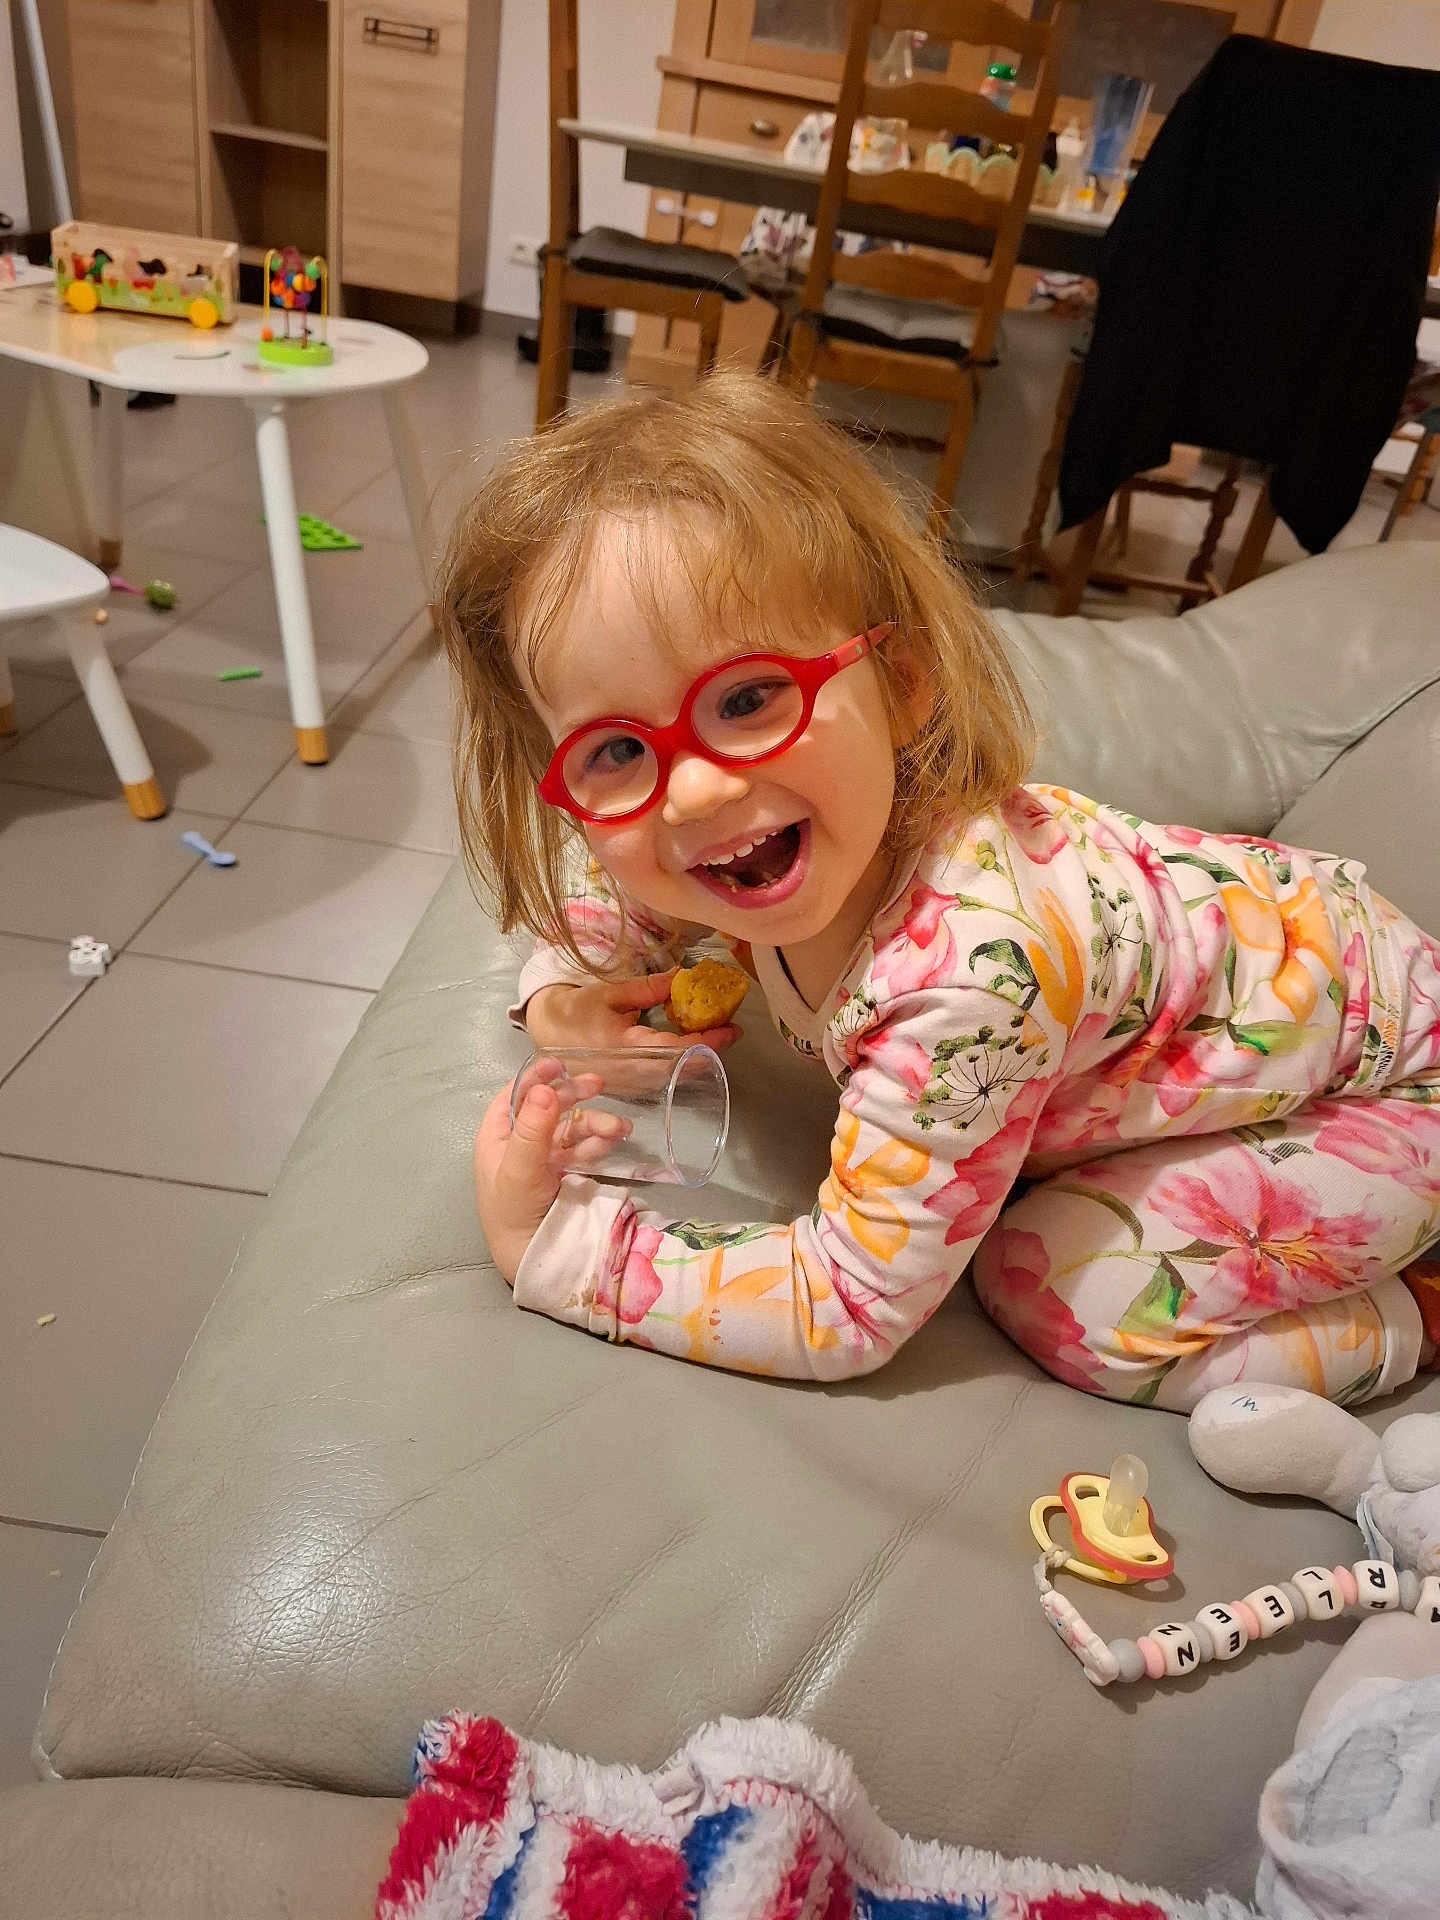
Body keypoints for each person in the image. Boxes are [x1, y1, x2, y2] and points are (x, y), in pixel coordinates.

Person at [440, 372, 1440, 1407]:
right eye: (615, 750)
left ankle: (1417, 1311)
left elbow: (848, 1307)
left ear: (903, 683)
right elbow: (633, 899)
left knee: (1056, 1290)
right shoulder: (762, 838)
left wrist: (555, 1250)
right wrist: (569, 992)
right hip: (1291, 983)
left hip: (1397, 1091)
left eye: (748, 697)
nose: (692, 790)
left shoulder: (967, 979)